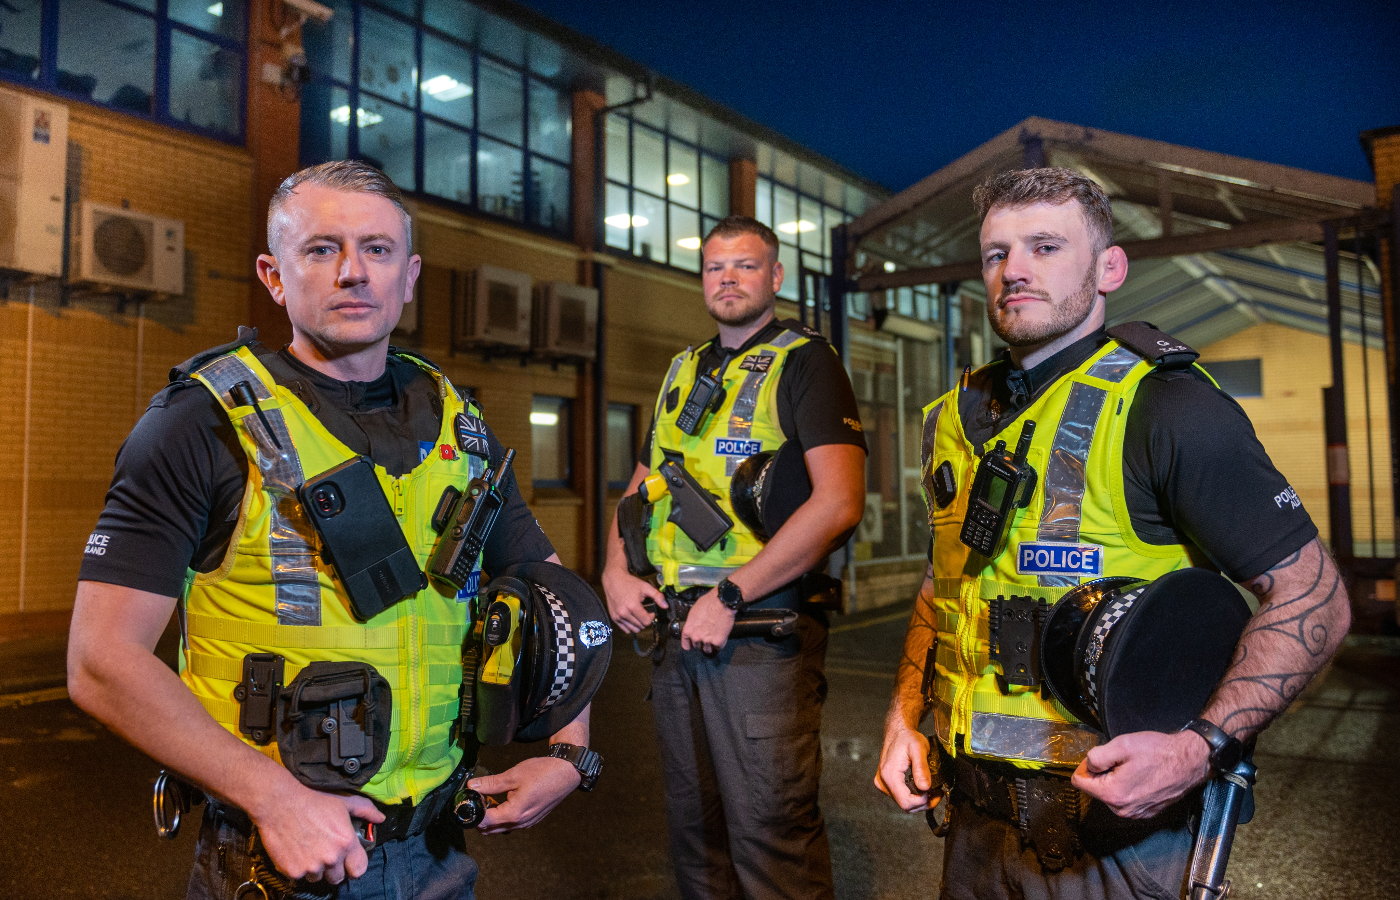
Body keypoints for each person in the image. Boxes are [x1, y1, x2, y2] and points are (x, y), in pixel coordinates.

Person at [68, 161, 596, 899]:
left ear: (409, 276)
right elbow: (100, 660)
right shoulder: (198, 423)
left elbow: (554, 600)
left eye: (377, 250)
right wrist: (273, 797)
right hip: (279, 861)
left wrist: (572, 754)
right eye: (321, 249)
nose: (354, 272)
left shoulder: (458, 423)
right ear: (273, 274)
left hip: (440, 852)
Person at [874, 167, 1351, 900]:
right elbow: (948, 581)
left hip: (1113, 842)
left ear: (1109, 268)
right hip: (970, 825)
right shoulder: (952, 419)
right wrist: (905, 716)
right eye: (997, 253)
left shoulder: (1168, 406)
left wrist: (1201, 749)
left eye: (1045, 246)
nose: (1015, 271)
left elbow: (1313, 597)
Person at [602, 216, 866, 900]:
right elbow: (641, 483)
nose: (727, 278)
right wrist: (614, 570)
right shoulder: (683, 370)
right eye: (715, 266)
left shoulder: (808, 362)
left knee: (770, 834)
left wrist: (732, 595)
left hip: (758, 635)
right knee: (696, 837)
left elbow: (838, 504)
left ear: (775, 278)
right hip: (675, 635)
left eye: (745, 265)